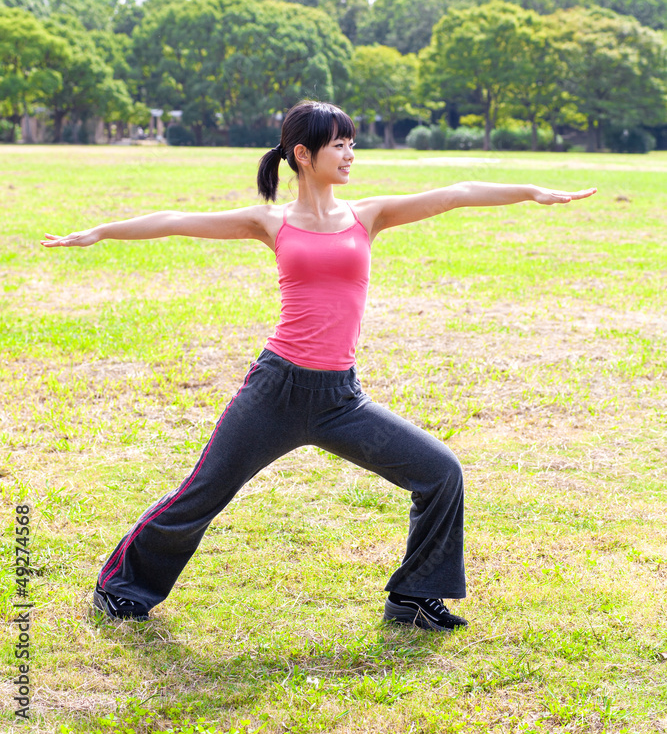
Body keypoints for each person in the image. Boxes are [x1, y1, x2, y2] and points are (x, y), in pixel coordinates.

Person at [40, 100, 597, 632]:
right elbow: (177, 219)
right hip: (275, 390)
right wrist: (102, 231)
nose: (350, 155)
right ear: (303, 155)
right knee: (202, 492)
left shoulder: (368, 215)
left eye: (352, 144)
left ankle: (414, 597)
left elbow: (455, 193)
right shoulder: (270, 221)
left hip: (340, 399)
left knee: (440, 472)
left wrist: (531, 192)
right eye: (339, 145)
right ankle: (122, 588)